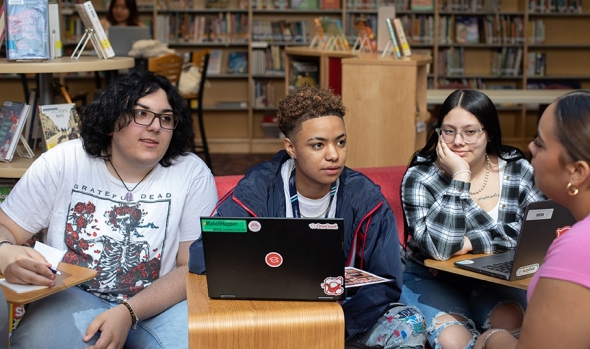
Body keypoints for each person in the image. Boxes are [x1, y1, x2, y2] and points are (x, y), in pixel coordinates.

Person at [188, 84, 427, 348]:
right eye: (318, 145)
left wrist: (333, 324)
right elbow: (201, 256)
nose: (334, 154)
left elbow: (386, 282)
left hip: (344, 318)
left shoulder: (366, 198)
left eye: (341, 141)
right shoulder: (258, 188)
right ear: (291, 147)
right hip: (273, 319)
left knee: (409, 324)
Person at [0, 72, 218, 349]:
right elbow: (5, 226)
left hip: (158, 302)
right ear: (111, 120)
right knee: (39, 342)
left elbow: (192, 267)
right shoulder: (63, 161)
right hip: (73, 295)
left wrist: (128, 312)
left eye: (165, 118)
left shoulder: (192, 172)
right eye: (141, 113)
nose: (155, 127)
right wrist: (5, 250)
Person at [476, 90, 590, 349]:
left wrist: (491, 339)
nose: (531, 147)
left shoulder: (589, 243)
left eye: (541, 143)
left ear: (577, 172)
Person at [400, 89, 546, 349]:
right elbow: (441, 249)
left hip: (496, 278)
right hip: (432, 278)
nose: (458, 141)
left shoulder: (517, 168)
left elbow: (535, 234)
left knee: (512, 323)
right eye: (448, 131)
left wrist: (470, 242)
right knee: (453, 340)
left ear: (488, 132)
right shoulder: (421, 176)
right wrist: (460, 177)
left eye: (470, 131)